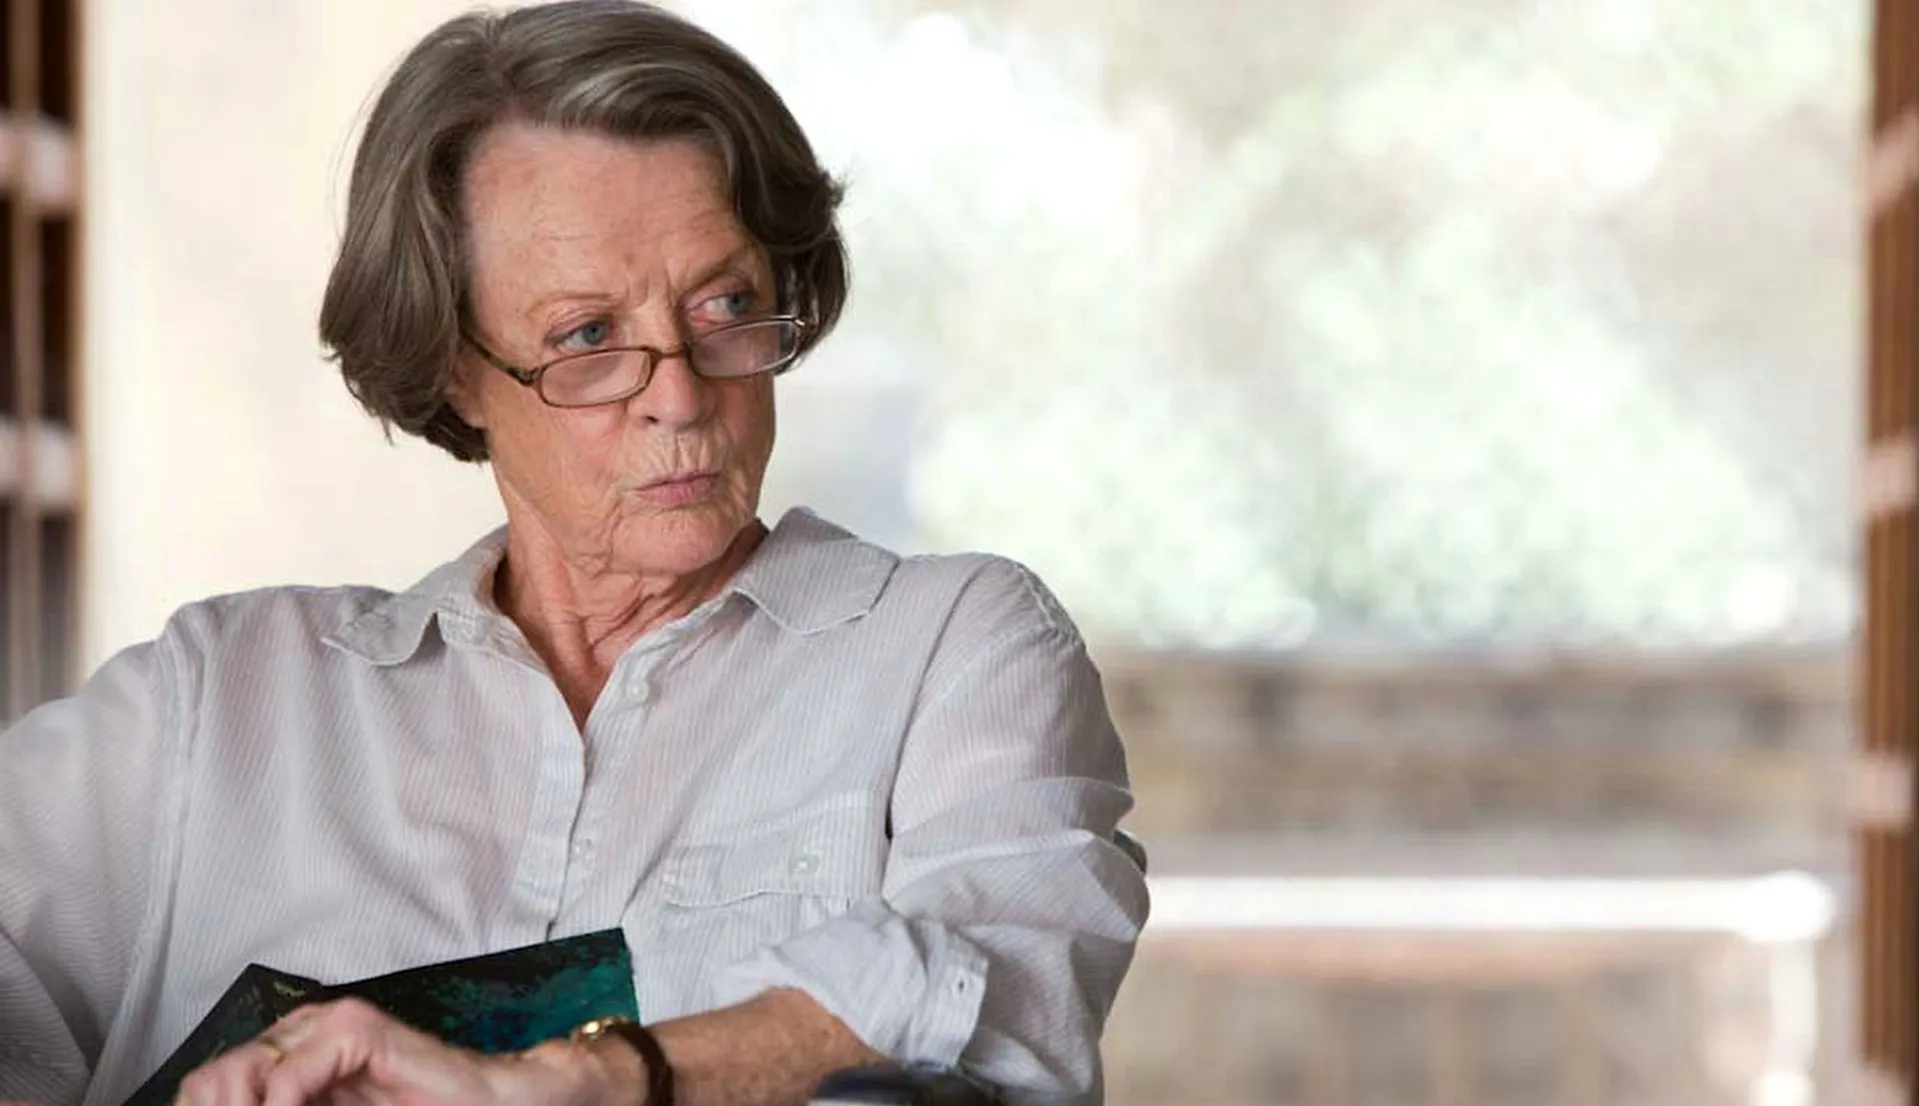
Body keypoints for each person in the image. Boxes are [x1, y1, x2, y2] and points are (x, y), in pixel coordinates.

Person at [0, 3, 1148, 1105]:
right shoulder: (218, 697)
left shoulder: (950, 646)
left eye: (724, 305)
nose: (679, 394)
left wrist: (582, 1078)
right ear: (455, 367)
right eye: (588, 335)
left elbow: (1008, 981)